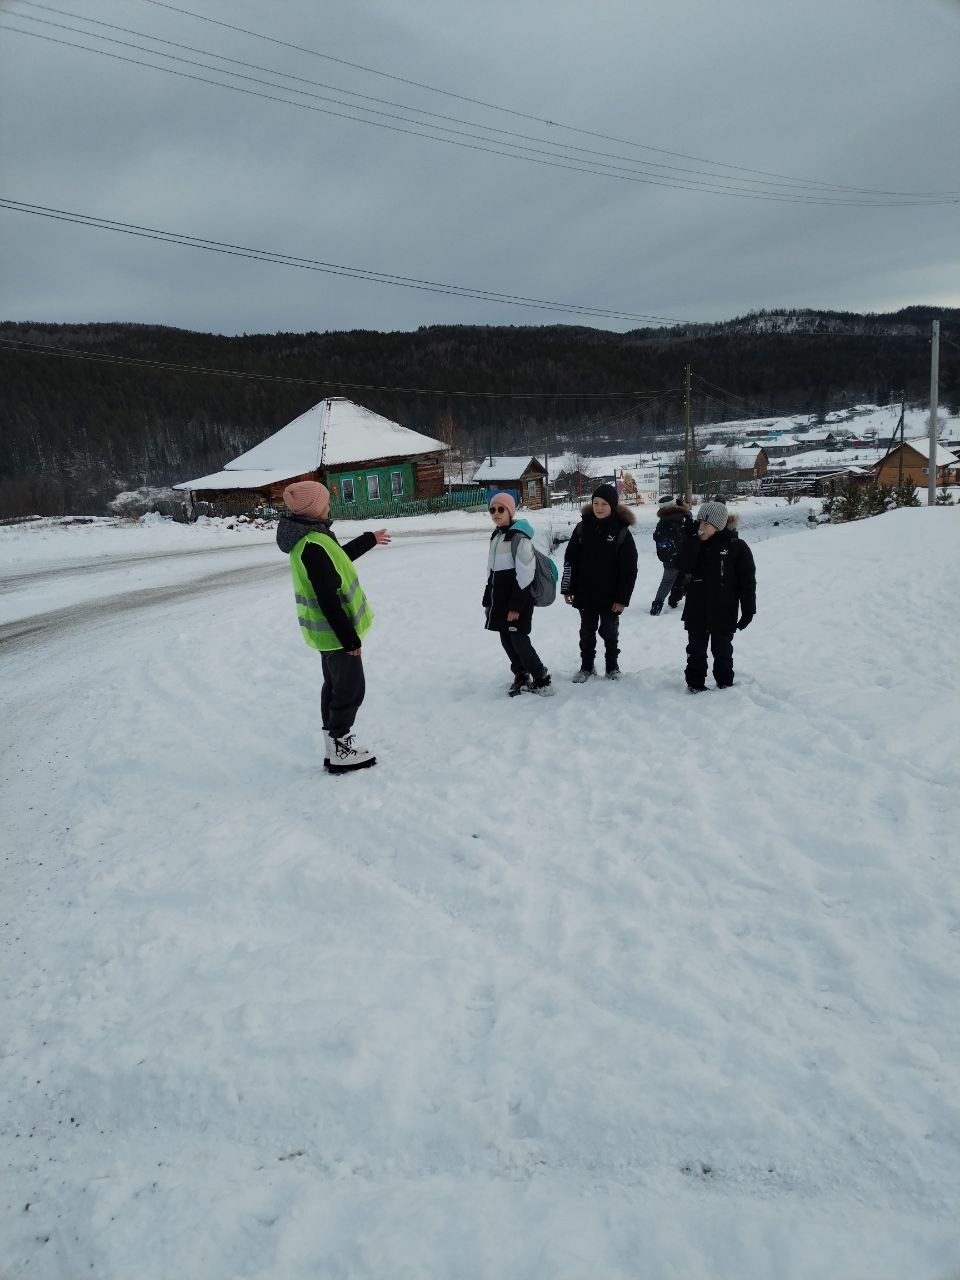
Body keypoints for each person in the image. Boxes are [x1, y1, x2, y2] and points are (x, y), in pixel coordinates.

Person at [276, 480, 391, 772]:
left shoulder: (315, 537)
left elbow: (340, 558)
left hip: (329, 636)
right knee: (351, 690)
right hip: (337, 635)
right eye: (325, 503)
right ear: (313, 509)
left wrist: (369, 539)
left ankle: (334, 746)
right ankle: (341, 747)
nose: (329, 506)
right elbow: (327, 599)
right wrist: (350, 640)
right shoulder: (312, 546)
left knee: (336, 687)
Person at [674, 500, 756, 693]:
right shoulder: (694, 543)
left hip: (724, 609)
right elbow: (683, 566)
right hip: (697, 608)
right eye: (699, 522)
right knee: (696, 650)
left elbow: (747, 581)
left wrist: (748, 609)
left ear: (719, 526)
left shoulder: (737, 547)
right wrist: (693, 541)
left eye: (706, 524)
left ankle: (725, 682)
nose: (701, 527)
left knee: (723, 650)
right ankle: (695, 684)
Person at [560, 483, 638, 681]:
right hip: (585, 593)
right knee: (586, 632)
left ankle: (612, 667)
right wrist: (567, 588)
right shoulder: (581, 528)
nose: (599, 507)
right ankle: (587, 667)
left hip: (611, 596)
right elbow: (570, 560)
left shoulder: (621, 532)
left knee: (609, 632)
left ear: (612, 505)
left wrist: (622, 599)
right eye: (595, 503)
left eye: (604, 503)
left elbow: (629, 571)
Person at [483, 492, 553, 696]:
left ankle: (541, 678)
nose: (496, 513)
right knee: (506, 638)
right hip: (500, 599)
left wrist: (515, 607)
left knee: (518, 638)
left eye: (500, 509)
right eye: (492, 509)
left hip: (518, 600)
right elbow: (491, 573)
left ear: (510, 511)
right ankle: (521, 674)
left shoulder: (519, 539)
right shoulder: (496, 536)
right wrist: (488, 601)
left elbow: (525, 575)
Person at [650, 495, 695, 615]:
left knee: (666, 582)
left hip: (669, 559)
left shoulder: (663, 520)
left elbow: (656, 536)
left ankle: (657, 606)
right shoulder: (683, 516)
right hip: (684, 557)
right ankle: (679, 600)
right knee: (687, 578)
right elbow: (692, 531)